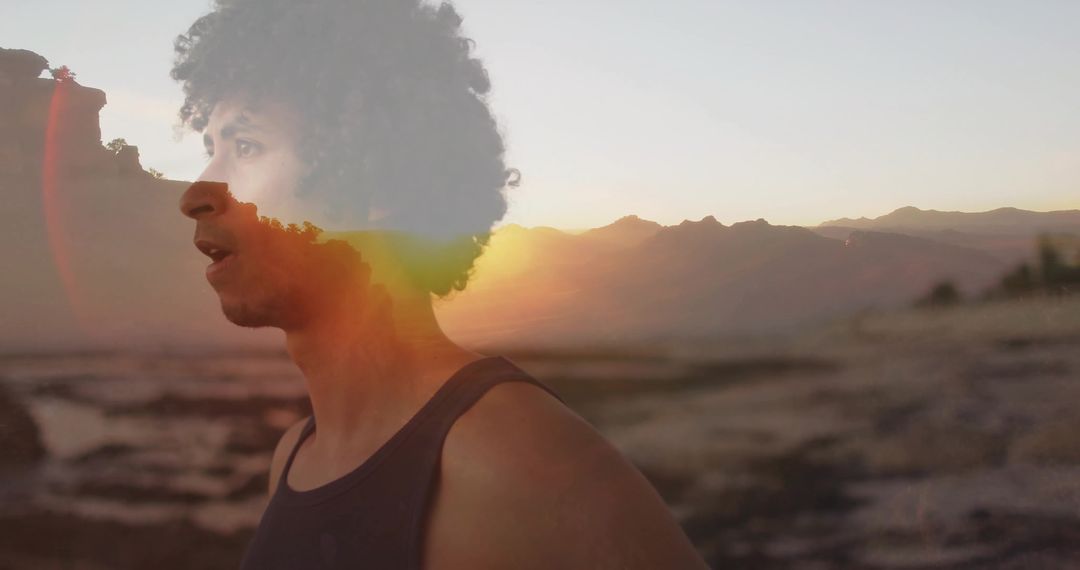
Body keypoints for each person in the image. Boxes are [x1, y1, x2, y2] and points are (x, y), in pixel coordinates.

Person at [173, 0, 710, 568]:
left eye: (247, 147)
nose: (196, 194)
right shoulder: (293, 458)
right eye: (211, 150)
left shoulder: (519, 457)